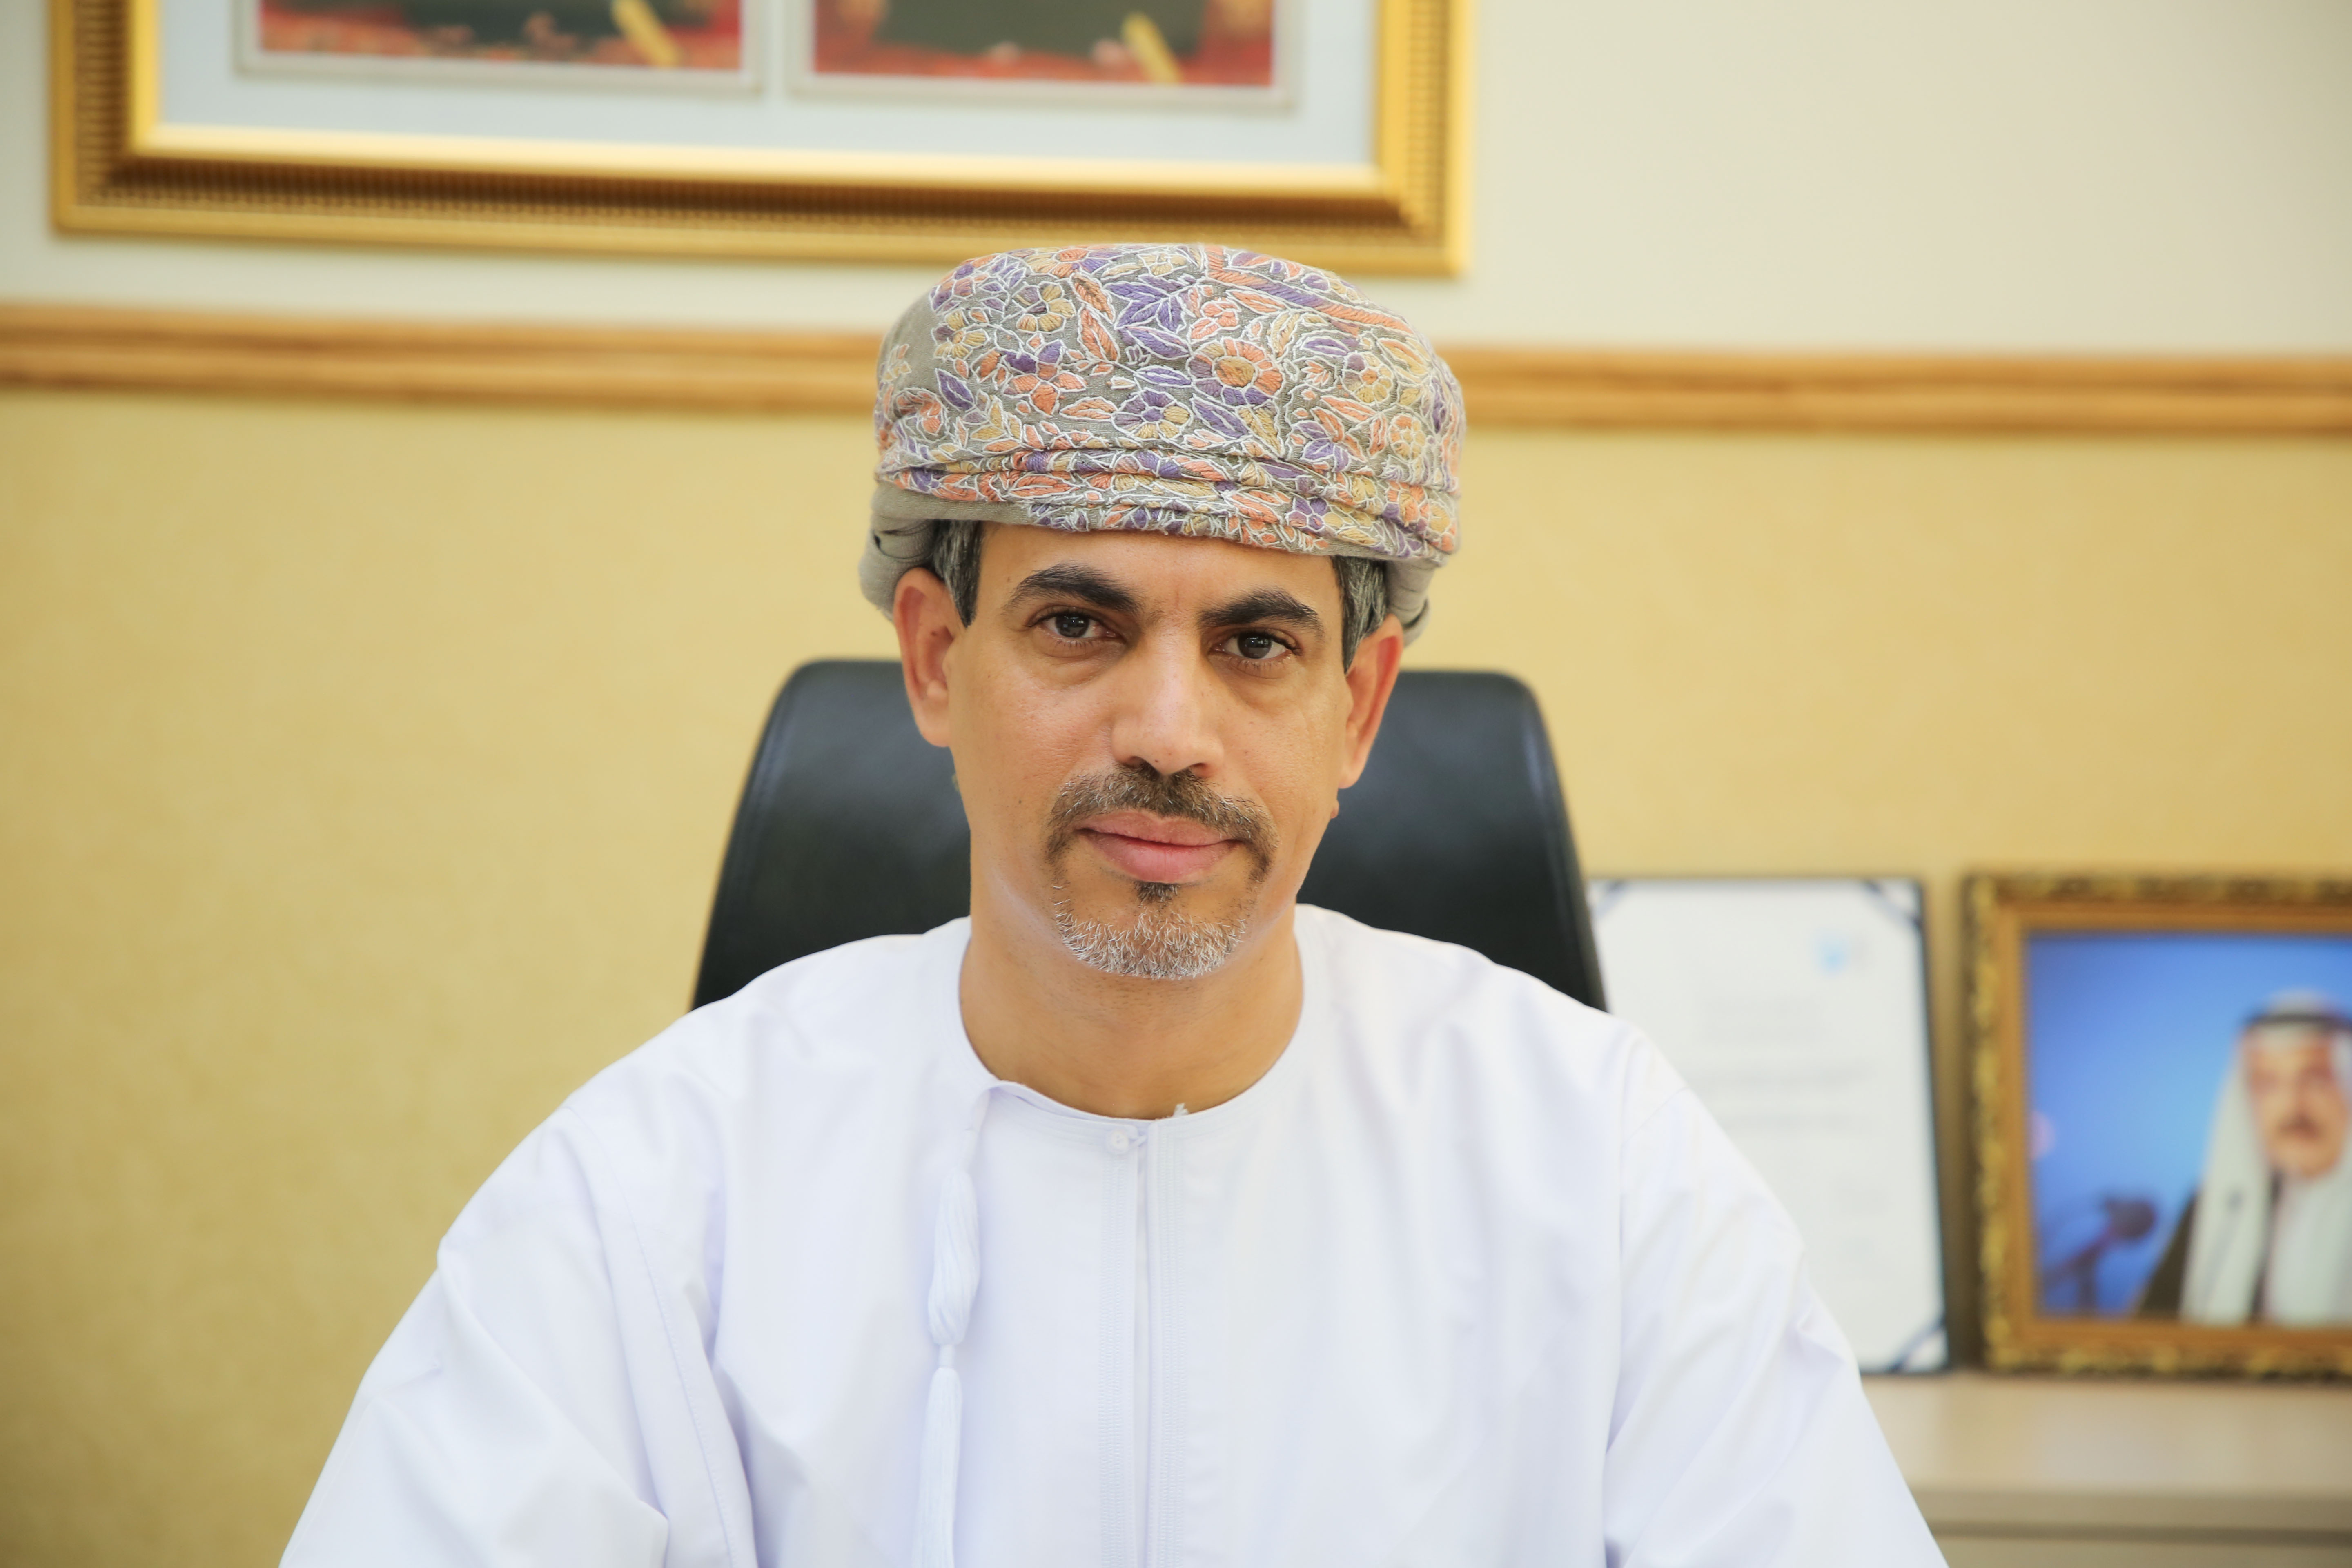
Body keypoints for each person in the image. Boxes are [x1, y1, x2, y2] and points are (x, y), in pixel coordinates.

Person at [282, 244, 1941, 1567]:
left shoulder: (1600, 1163)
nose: (1165, 731)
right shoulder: (660, 1187)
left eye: (1256, 644)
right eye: (1078, 628)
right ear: (938, 660)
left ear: (1358, 710)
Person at [2138, 990, 2352, 1323]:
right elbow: (2153, 1331)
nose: (2293, 1106)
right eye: (2268, 1084)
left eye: (2315, 1080)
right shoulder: (2220, 1209)